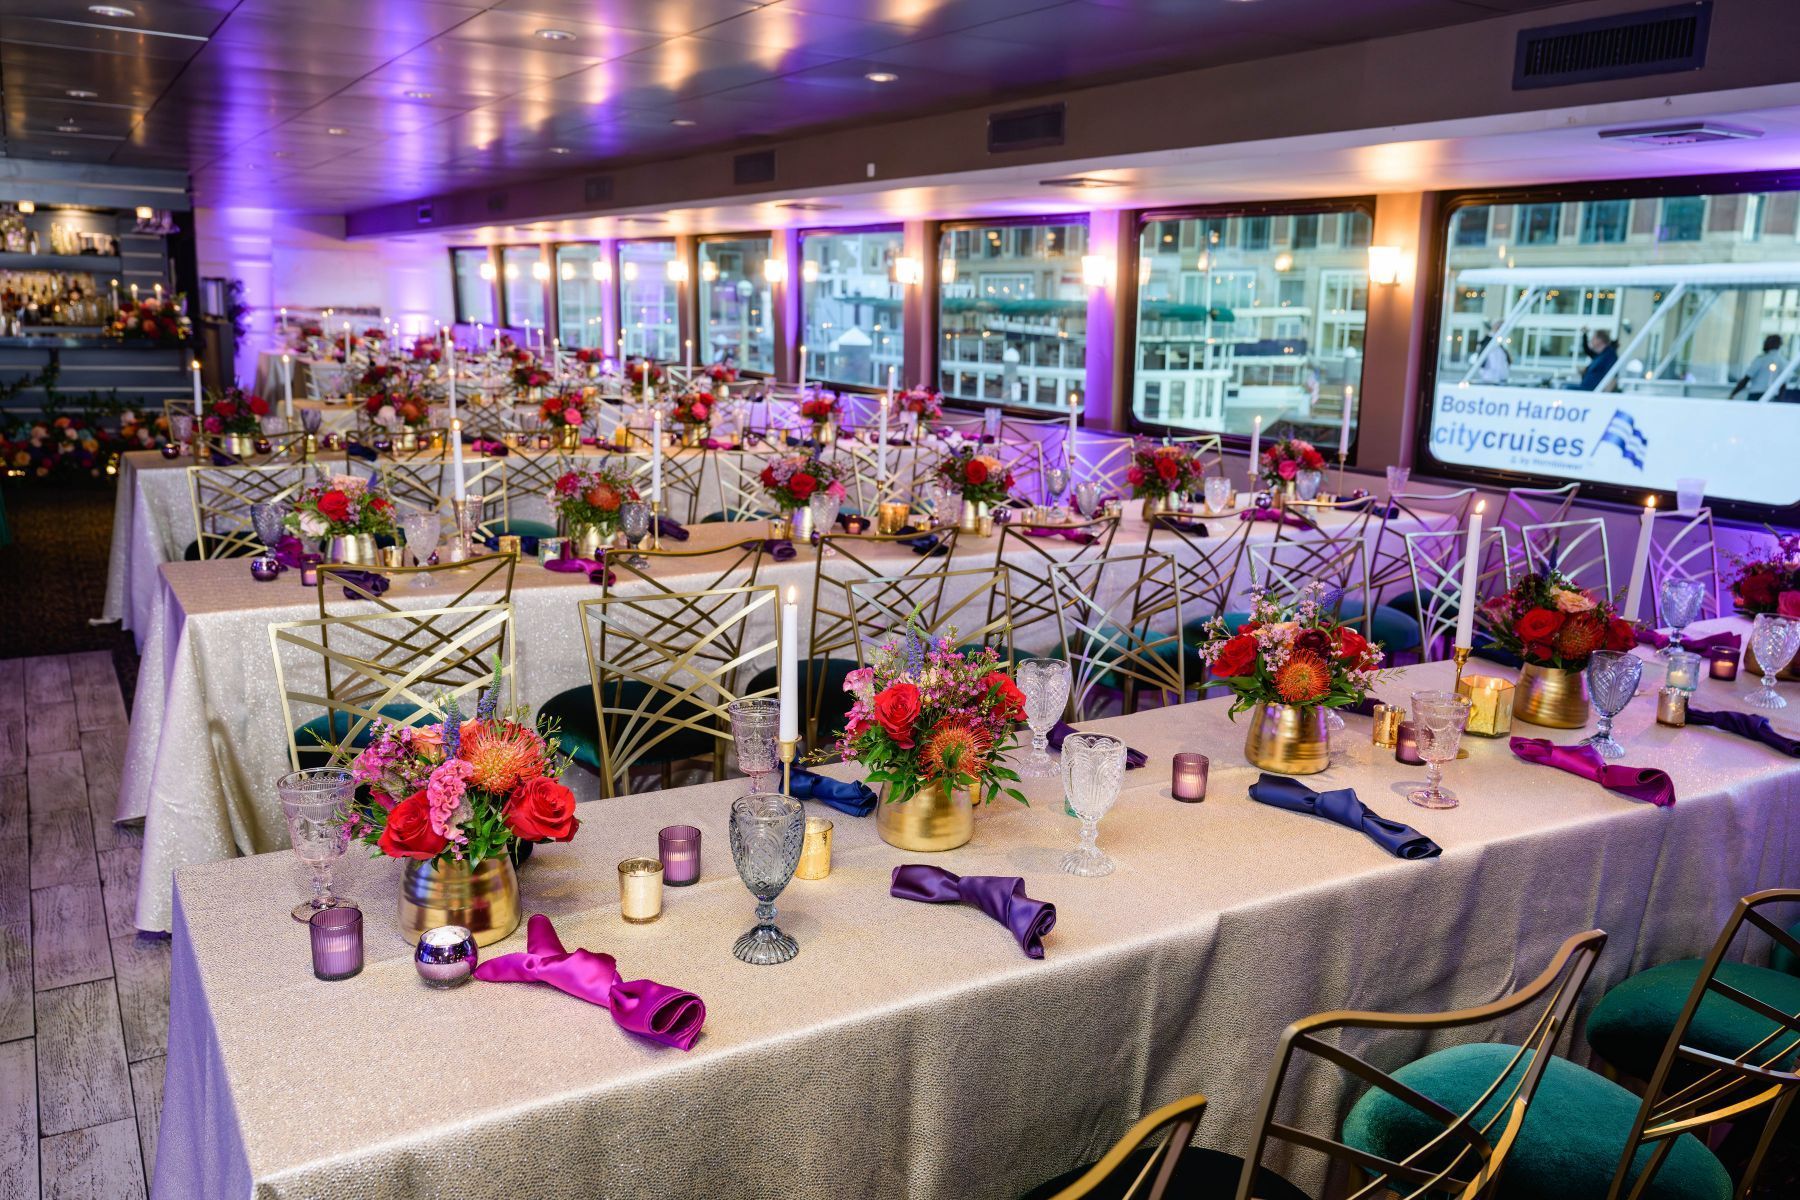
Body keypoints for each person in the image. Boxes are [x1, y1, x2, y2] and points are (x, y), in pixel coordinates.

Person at [1729, 334, 1786, 399]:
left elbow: (1746, 379)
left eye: (1766, 342)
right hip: (1773, 396)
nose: (1764, 344)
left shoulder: (1761, 359)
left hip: (1756, 395)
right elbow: (1783, 385)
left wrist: (1732, 394)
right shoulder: (1783, 362)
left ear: (1771, 343)